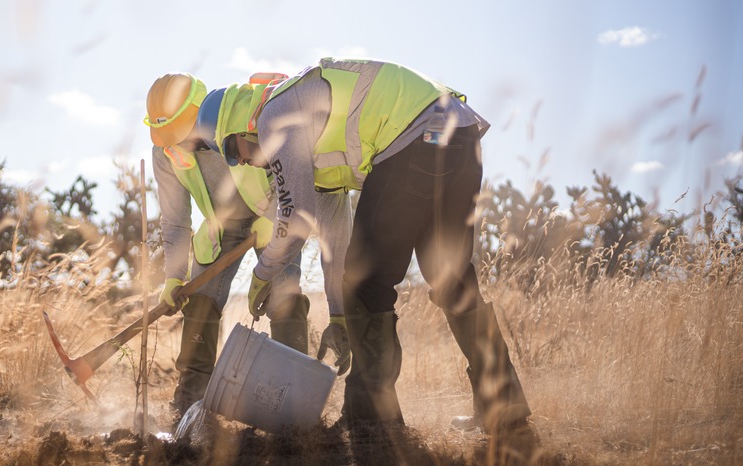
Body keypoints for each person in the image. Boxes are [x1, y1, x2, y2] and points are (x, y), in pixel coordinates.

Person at [195, 58, 531, 432]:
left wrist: (263, 272)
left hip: (414, 138)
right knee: (451, 279)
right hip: (458, 134)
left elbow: (297, 218)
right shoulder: (308, 139)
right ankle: (503, 402)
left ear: (240, 123)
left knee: (368, 279)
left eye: (230, 150)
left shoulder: (276, 115)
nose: (240, 161)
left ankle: (372, 419)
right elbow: (337, 238)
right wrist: (339, 314)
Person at [144, 73, 351, 424]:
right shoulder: (164, 154)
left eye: (184, 132)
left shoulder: (240, 122)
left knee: (283, 293)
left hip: (270, 215)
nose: (179, 143)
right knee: (200, 301)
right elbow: (176, 222)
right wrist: (173, 276)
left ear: (200, 113)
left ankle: (294, 400)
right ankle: (191, 401)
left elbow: (285, 174)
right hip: (219, 228)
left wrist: (272, 221)